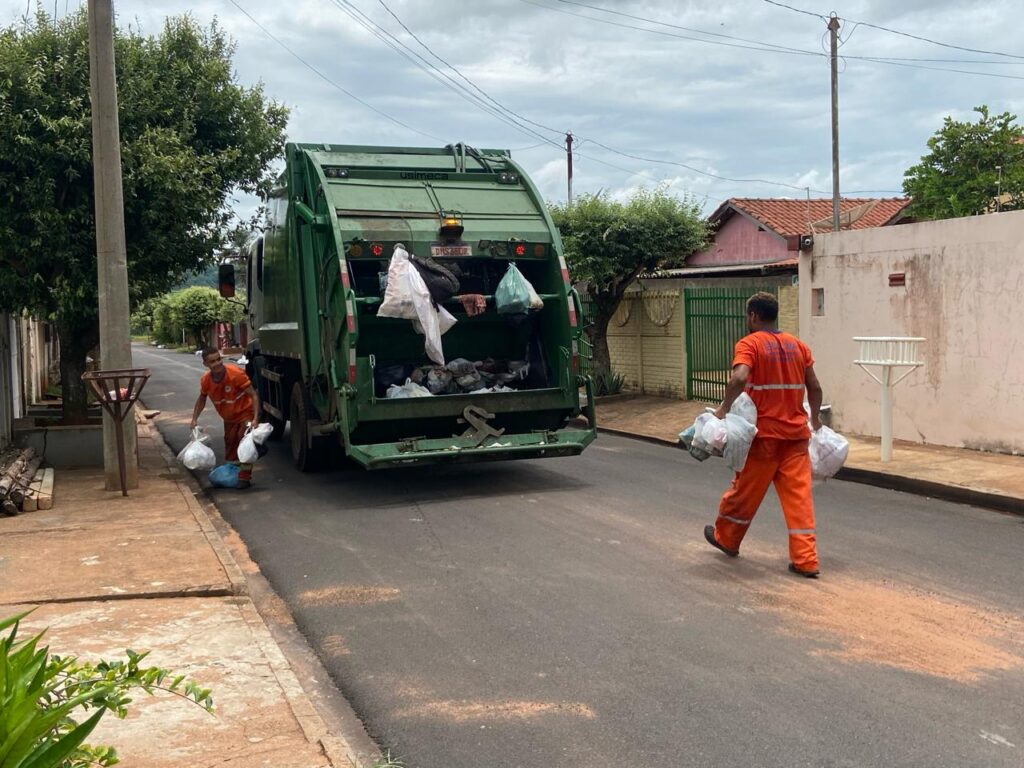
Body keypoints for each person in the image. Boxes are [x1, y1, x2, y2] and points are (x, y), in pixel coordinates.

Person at [703, 292, 825, 578]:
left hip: (764, 438)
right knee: (800, 501)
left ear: (754, 316)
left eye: (748, 316)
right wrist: (815, 419)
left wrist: (722, 409)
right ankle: (806, 561)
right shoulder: (798, 346)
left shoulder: (750, 344)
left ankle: (727, 539)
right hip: (796, 437)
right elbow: (815, 387)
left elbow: (741, 377)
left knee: (743, 493)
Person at [189, 347, 261, 489]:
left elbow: (253, 395)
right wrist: (194, 419)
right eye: (212, 362)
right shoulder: (206, 381)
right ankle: (233, 473)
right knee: (230, 443)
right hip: (229, 418)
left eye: (218, 359)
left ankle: (244, 478)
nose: (217, 364)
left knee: (243, 442)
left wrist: (255, 419)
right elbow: (202, 399)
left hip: (245, 414)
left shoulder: (235, 374)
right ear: (206, 364)